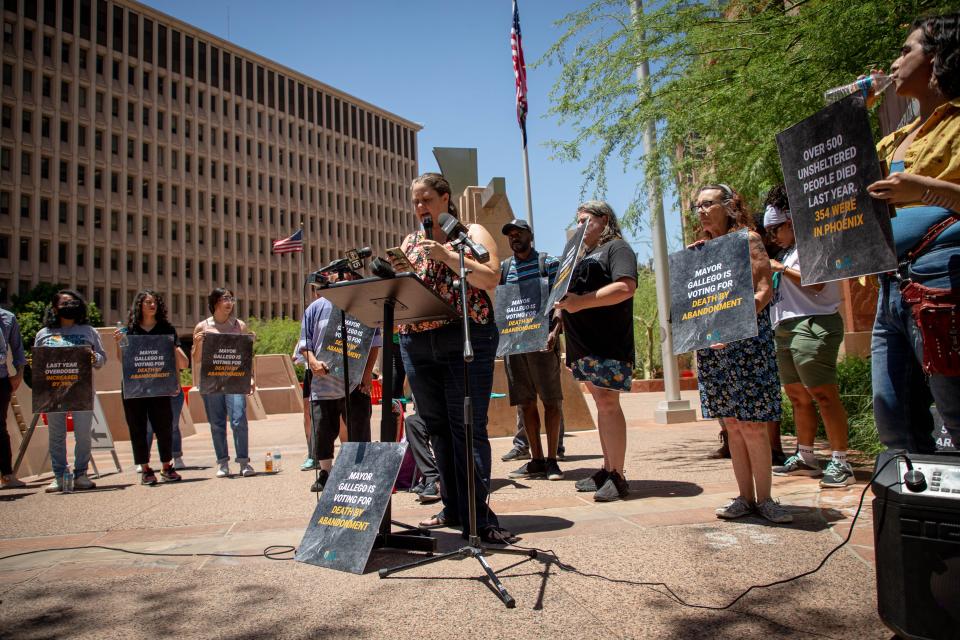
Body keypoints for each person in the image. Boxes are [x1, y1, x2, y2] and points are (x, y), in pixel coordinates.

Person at [390, 172, 511, 544]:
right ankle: (454, 506)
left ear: (445, 198)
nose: (420, 207)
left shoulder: (470, 233)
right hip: (415, 340)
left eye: (426, 199)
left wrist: (446, 255)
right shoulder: (411, 241)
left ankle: (479, 515)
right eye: (415, 201)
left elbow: (490, 278)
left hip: (464, 336)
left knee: (467, 427)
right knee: (437, 427)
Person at [866, 13, 960, 452]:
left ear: (938, 57)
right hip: (891, 286)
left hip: (942, 279)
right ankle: (914, 519)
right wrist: (849, 114)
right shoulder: (897, 136)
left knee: (955, 411)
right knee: (892, 415)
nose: (896, 60)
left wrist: (922, 189)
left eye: (907, 50)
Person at [691, 185, 791, 524]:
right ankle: (744, 498)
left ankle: (765, 499)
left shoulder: (748, 239)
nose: (701, 211)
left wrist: (732, 328)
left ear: (729, 205)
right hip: (713, 347)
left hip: (747, 343)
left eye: (708, 204)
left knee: (751, 424)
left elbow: (763, 290)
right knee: (731, 424)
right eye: (697, 206)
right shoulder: (700, 250)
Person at [764, 189, 853, 487]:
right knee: (797, 396)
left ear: (793, 222)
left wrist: (782, 269)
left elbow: (818, 284)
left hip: (814, 323)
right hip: (785, 327)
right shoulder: (785, 253)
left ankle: (841, 460)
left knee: (823, 394)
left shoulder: (815, 243)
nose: (772, 235)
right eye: (768, 230)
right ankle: (806, 456)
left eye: (776, 228)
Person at [555, 201, 637, 502]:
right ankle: (607, 467)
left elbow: (625, 287)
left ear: (604, 219)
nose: (580, 226)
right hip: (582, 344)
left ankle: (618, 474)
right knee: (601, 404)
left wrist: (581, 301)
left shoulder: (617, 248)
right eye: (577, 221)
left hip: (608, 342)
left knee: (608, 403)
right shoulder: (578, 255)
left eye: (585, 220)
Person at [498, 219, 566, 482]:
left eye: (519, 233)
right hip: (515, 345)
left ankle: (552, 460)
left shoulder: (547, 263)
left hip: (542, 342)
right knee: (525, 403)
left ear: (530, 235)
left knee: (551, 401)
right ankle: (535, 459)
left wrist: (555, 330)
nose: (514, 237)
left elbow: (560, 296)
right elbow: (502, 303)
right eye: (510, 234)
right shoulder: (505, 268)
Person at [297, 292, 380, 493]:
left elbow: (374, 341)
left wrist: (368, 373)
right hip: (322, 382)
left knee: (359, 428)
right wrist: (314, 362)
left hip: (356, 381)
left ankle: (360, 472)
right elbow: (304, 343)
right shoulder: (315, 308)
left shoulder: (363, 305)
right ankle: (325, 473)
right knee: (323, 431)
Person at [35, 290, 107, 492]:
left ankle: (81, 474)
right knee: (56, 435)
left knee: (83, 434)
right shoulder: (43, 334)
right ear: (55, 308)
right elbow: (38, 364)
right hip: (53, 394)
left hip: (81, 391)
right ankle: (59, 476)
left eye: (73, 301)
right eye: (65, 302)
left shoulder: (89, 331)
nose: (70, 305)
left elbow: (102, 359)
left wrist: (95, 357)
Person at [114, 291, 189, 485]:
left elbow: (183, 363)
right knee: (137, 428)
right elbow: (122, 360)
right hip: (135, 388)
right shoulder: (129, 330)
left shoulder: (166, 328)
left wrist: (171, 345)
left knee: (164, 427)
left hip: (160, 386)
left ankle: (167, 466)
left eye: (155, 302)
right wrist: (118, 343)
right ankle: (146, 469)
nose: (152, 305)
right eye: (147, 302)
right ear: (139, 305)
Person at [192, 288, 256, 478]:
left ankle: (244, 462)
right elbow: (196, 360)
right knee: (217, 423)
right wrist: (198, 343)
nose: (229, 302)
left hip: (235, 379)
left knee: (238, 419)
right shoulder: (202, 327)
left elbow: (246, 356)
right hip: (212, 381)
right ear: (215, 302)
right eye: (225, 299)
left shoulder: (239, 325)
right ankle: (223, 463)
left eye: (231, 298)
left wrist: (251, 377)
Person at [0, 306, 27, 489]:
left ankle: (7, 475)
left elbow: (18, 348)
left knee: (0, 427)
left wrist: (19, 373)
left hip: (1, 378)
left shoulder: (8, 318)